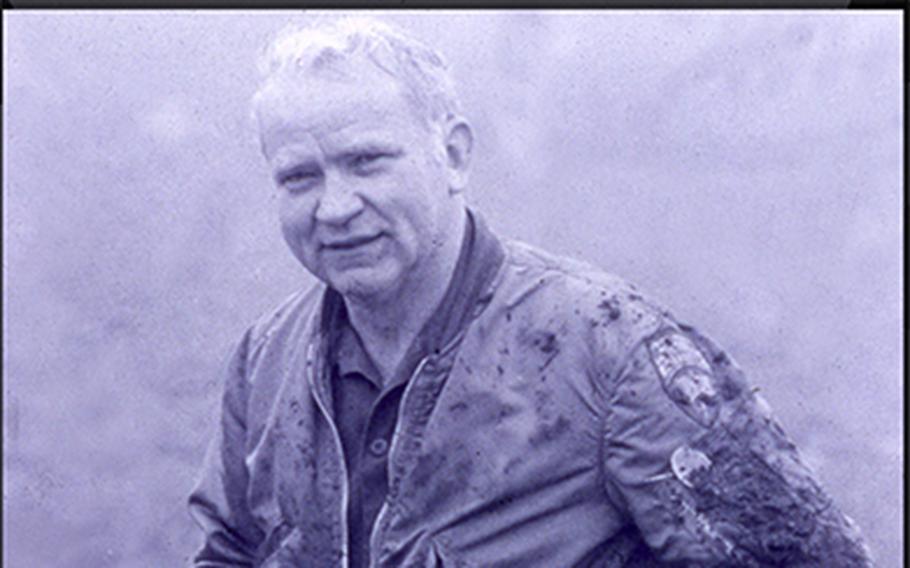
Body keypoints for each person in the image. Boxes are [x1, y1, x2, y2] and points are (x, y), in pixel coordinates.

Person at [188, 17, 873, 567]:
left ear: (453, 155)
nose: (335, 206)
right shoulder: (265, 359)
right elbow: (230, 553)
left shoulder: (611, 348)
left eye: (366, 161)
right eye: (299, 177)